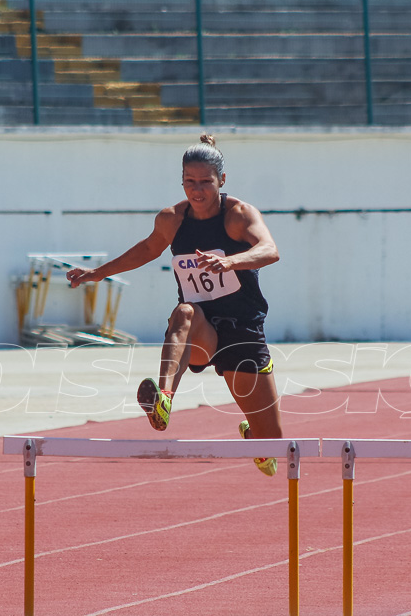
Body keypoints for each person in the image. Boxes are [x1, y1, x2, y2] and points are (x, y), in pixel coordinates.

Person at [66, 134, 283, 476]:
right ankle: (164, 398)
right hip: (202, 330)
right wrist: (97, 273)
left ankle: (254, 434)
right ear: (181, 181)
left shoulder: (238, 215)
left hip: (242, 328)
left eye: (206, 183)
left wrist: (231, 262)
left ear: (221, 181)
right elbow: (148, 249)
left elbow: (270, 250)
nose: (197, 191)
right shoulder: (172, 219)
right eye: (189, 182)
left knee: (274, 447)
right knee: (183, 311)